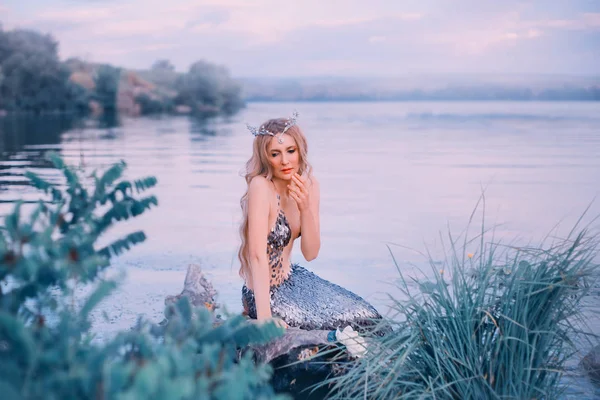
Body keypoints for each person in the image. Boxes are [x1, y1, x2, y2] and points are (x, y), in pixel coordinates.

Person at [239, 112, 384, 332]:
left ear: (300, 150)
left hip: (295, 281)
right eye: (275, 154)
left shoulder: (309, 184)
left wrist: (305, 208)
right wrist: (264, 318)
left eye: (290, 151)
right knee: (343, 327)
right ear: (265, 157)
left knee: (370, 319)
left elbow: (311, 253)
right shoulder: (261, 186)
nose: (285, 161)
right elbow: (257, 255)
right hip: (265, 295)